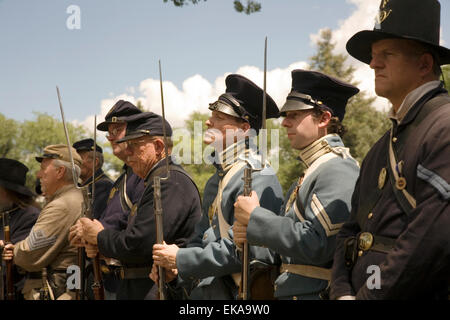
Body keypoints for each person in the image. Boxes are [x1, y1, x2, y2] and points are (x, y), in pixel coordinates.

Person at [331, 0, 450, 300]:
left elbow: (429, 239)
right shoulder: (380, 147)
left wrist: (367, 297)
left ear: (424, 64)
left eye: (387, 54)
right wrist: (342, 292)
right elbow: (350, 231)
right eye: (373, 56)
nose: (373, 64)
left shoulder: (444, 127)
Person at [151, 74, 284, 300]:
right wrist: (177, 267)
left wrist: (181, 259)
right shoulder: (218, 177)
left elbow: (245, 252)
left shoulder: (258, 175)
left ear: (244, 129)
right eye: (212, 115)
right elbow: (200, 236)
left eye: (220, 117)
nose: (208, 122)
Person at [233, 69, 360, 300]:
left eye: (294, 115)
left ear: (324, 118)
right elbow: (288, 248)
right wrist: (250, 233)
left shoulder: (338, 168)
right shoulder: (313, 171)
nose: (284, 123)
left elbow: (318, 244)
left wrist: (256, 218)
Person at [70, 112, 202, 300]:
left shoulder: (168, 180)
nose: (127, 151)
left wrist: (99, 237)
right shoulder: (156, 179)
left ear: (158, 147)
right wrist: (100, 246)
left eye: (134, 145)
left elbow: (140, 244)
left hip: (156, 288)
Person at [2, 145, 83, 300]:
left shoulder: (61, 206)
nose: (39, 174)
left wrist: (13, 250)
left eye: (43, 168)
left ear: (60, 172)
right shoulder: (75, 198)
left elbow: (29, 255)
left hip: (58, 290)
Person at [0, 158, 40, 300]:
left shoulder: (30, 216)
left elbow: (17, 255)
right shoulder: (4, 210)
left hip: (15, 291)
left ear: (7, 191)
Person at [72, 138, 113, 220]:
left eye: (79, 159)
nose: (74, 164)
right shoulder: (82, 185)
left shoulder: (103, 186)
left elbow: (92, 219)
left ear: (95, 162)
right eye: (73, 160)